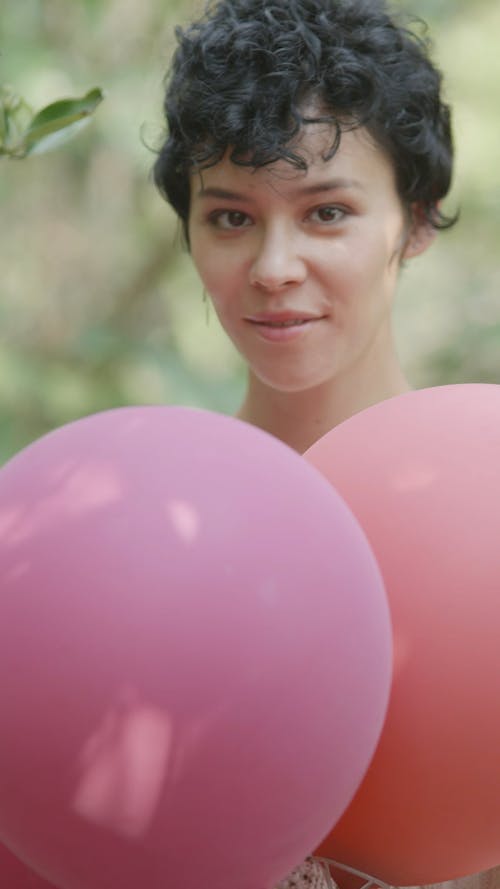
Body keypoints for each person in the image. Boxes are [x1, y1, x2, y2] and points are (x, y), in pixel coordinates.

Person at [152, 1, 496, 888]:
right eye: (230, 217)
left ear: (416, 221)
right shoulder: (147, 532)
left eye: (327, 212)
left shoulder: (486, 514)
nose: (273, 266)